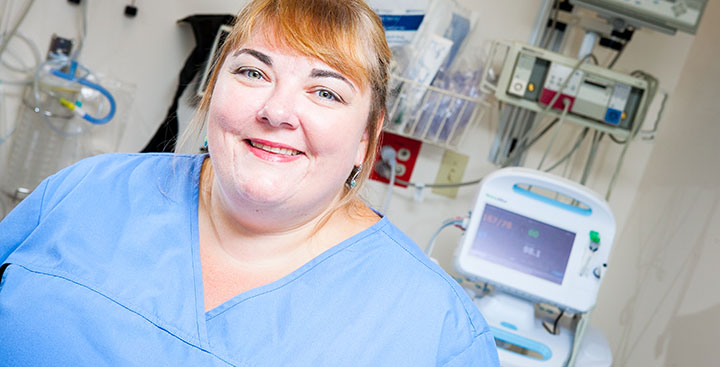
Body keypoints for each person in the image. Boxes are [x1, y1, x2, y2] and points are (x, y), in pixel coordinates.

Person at [0, 0, 499, 365]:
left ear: (367, 138)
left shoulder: (435, 330)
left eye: (325, 91)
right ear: (214, 88)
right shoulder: (84, 193)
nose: (277, 111)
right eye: (254, 73)